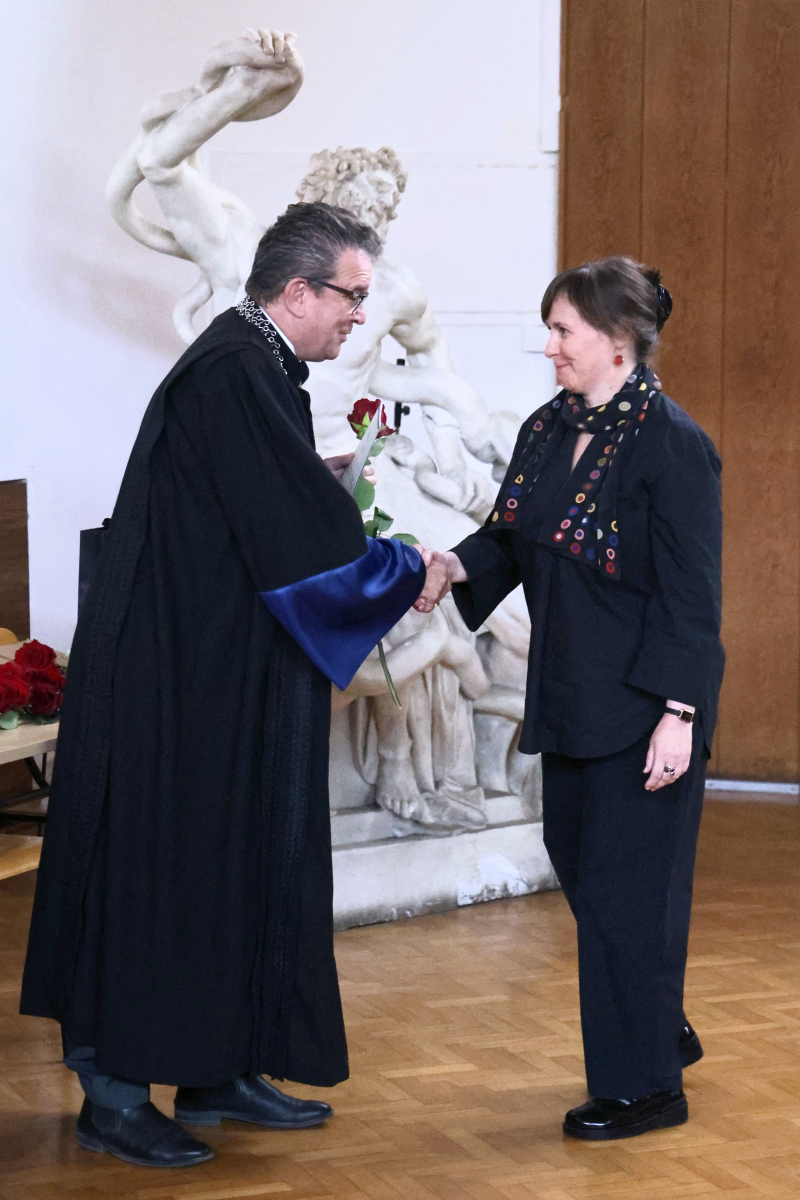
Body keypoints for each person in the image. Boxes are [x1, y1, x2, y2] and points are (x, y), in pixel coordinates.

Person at [20, 202, 445, 1169]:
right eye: (351, 296)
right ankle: (114, 1097)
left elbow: (250, 505)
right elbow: (299, 544)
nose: (360, 316)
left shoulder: (253, 363)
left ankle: (218, 1067)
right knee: (164, 871)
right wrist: (403, 566)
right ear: (296, 291)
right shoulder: (237, 371)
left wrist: (317, 479)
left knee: (236, 861)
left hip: (221, 668)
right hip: (181, 682)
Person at [426, 256, 724, 1141]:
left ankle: (645, 1090)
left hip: (645, 707)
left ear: (619, 340)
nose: (549, 346)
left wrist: (679, 714)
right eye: (549, 329)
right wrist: (451, 566)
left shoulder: (672, 444)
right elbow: (511, 536)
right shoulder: (548, 428)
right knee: (590, 876)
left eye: (563, 331)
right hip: (570, 696)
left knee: (631, 899)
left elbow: (692, 595)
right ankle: (656, 1025)